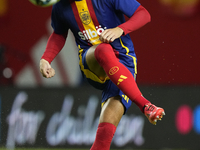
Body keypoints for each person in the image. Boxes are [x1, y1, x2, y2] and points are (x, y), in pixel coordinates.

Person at [39, 0, 165, 149]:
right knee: (103, 49)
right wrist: (46, 59)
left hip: (124, 63)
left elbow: (144, 14)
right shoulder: (60, 6)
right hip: (92, 62)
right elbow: (59, 34)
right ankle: (146, 106)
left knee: (103, 139)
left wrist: (120, 29)